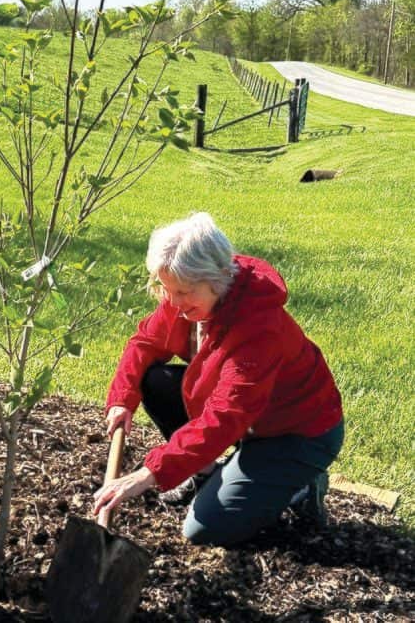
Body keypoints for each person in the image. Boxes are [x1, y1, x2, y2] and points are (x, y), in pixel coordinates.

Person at [92, 212, 344, 547]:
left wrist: (148, 473)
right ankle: (207, 471)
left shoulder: (259, 328)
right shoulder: (185, 290)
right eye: (168, 290)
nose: (175, 304)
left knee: (204, 529)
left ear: (219, 278)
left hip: (294, 433)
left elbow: (226, 418)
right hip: (248, 418)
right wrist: (122, 398)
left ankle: (303, 485)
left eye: (184, 292)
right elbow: (146, 344)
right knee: (153, 380)